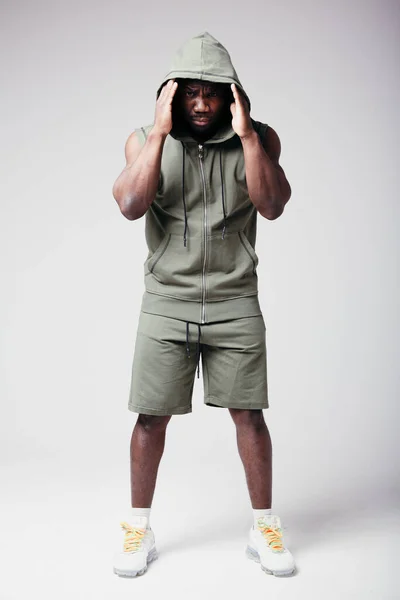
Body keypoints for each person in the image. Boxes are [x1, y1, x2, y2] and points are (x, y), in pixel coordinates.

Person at [112, 31, 295, 578]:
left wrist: (249, 138)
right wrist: (160, 134)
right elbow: (129, 203)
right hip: (166, 301)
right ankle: (137, 528)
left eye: (210, 93)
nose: (199, 104)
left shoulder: (259, 139)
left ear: (230, 95)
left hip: (236, 299)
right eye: (188, 93)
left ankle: (264, 526)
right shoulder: (144, 139)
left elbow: (273, 205)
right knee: (149, 419)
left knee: (250, 417)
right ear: (171, 95)